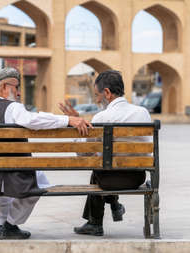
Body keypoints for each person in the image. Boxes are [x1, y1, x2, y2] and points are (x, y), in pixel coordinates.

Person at [0, 67, 92, 240]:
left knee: (6, 199)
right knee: (39, 184)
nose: (18, 93)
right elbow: (31, 120)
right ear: (4, 87)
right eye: (16, 87)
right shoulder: (12, 108)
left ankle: (3, 226)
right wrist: (68, 120)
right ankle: (10, 225)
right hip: (7, 180)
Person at [59, 70, 152, 236]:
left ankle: (96, 222)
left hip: (108, 181)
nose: (96, 100)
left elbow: (83, 155)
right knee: (104, 162)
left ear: (107, 93)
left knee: (100, 165)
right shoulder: (142, 113)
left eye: (97, 95)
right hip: (137, 178)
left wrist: (76, 126)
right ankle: (112, 207)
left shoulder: (101, 118)